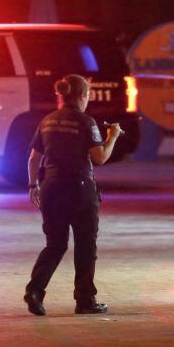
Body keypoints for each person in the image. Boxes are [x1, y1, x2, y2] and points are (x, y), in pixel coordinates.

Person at [24, 74, 122, 316]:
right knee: (85, 246)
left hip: (51, 187)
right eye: (88, 96)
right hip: (79, 189)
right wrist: (113, 137)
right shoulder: (86, 122)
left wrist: (32, 185)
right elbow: (99, 157)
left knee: (55, 244)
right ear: (81, 96)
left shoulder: (46, 121)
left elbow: (34, 158)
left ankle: (34, 292)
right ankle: (85, 300)